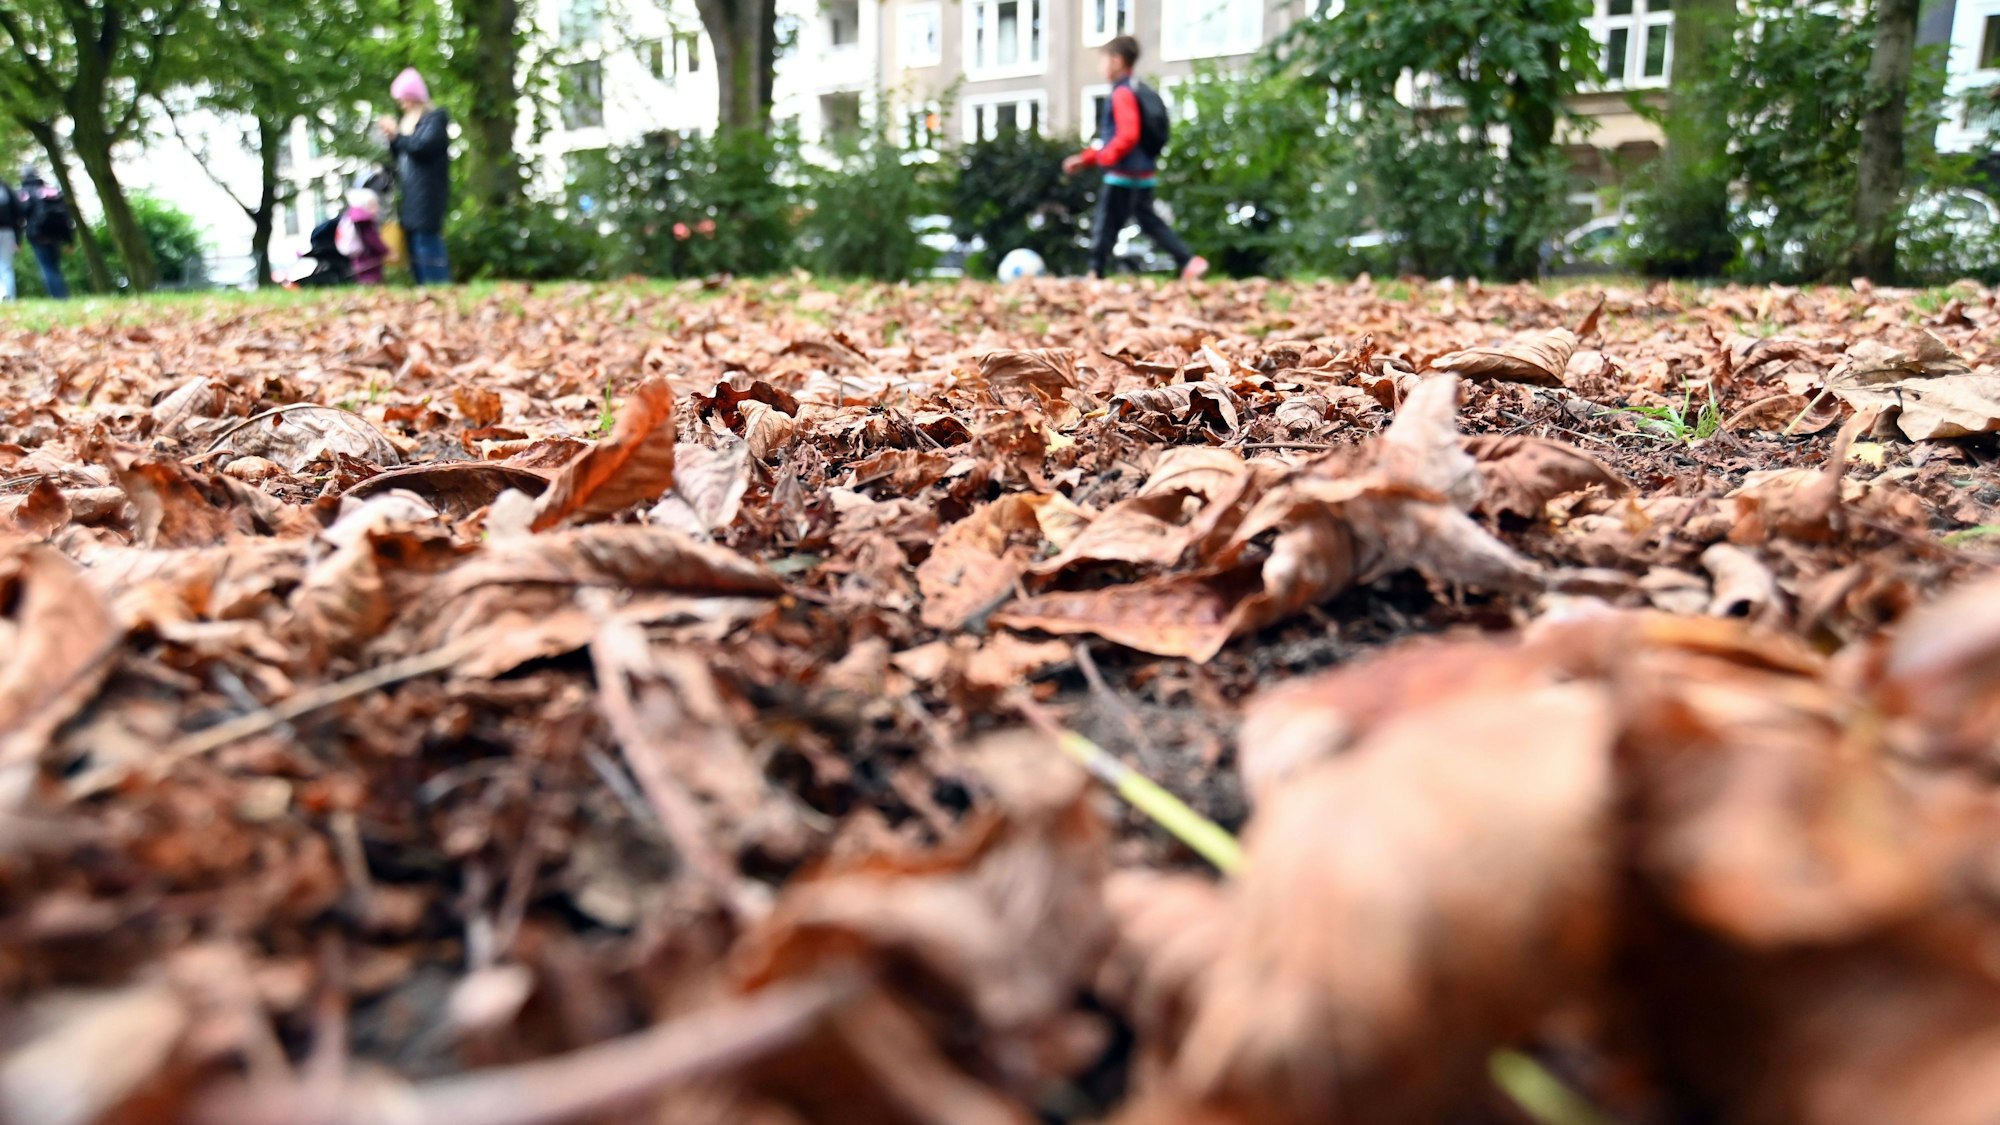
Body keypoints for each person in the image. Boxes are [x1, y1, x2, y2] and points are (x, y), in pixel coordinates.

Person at [1062, 36, 1207, 283]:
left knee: (1106, 223)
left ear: (1117, 61)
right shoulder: (1136, 89)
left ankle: (1095, 272)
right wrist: (1086, 158)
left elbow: (1126, 135)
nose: (1100, 67)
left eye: (1102, 61)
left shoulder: (1122, 93)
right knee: (1148, 220)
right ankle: (1189, 261)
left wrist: (1104, 159)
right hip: (1143, 172)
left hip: (1122, 174)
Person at [378, 68, 451, 284]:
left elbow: (421, 147)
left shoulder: (434, 119)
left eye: (403, 99)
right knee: (415, 245)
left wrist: (397, 136)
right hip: (411, 195)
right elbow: (402, 153)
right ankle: (424, 289)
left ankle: (438, 286)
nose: (402, 104)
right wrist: (392, 139)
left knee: (426, 242)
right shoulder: (411, 123)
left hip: (428, 195)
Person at [17, 168, 73, 299]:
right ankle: (64, 295)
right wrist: (69, 240)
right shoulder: (50, 190)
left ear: (23, 177)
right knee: (54, 266)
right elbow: (66, 215)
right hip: (55, 234)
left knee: (47, 267)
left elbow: (20, 214)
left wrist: (17, 238)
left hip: (37, 234)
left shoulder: (24, 193)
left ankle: (59, 297)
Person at [337, 186, 391, 284]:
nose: (376, 209)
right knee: (370, 276)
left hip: (358, 256)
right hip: (368, 256)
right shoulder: (364, 221)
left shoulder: (351, 217)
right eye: (372, 206)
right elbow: (373, 239)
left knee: (362, 273)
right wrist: (386, 251)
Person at [0, 171, 19, 301]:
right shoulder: (5, 187)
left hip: (7, 230)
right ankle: (10, 297)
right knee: (6, 266)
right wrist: (18, 237)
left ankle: (2, 293)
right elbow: (18, 210)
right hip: (7, 231)